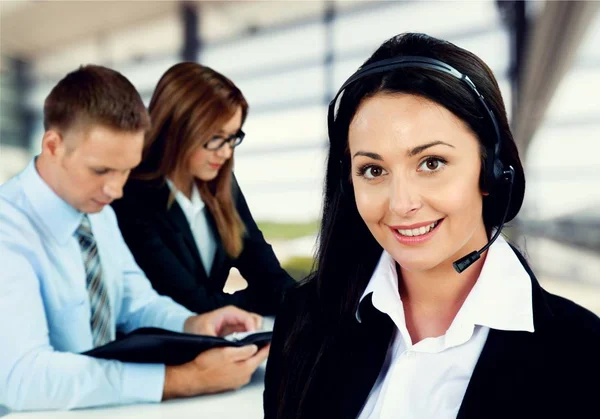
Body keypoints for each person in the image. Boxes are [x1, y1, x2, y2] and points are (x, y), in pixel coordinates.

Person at [263, 33, 600, 419]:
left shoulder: (583, 353)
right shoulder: (305, 320)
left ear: (492, 170)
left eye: (432, 163)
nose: (402, 203)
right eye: (373, 170)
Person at [0, 65, 269, 412]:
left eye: (126, 169)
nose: (116, 189)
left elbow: (136, 302)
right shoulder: (8, 230)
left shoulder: (99, 212)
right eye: (102, 170)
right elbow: (22, 377)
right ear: (53, 146)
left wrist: (195, 323)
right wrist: (185, 379)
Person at [111, 62, 295, 316]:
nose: (226, 151)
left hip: (217, 342)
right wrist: (265, 300)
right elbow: (191, 305)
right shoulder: (131, 196)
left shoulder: (222, 183)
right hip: (164, 349)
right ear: (178, 127)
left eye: (232, 137)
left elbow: (268, 273)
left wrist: (301, 301)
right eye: (216, 137)